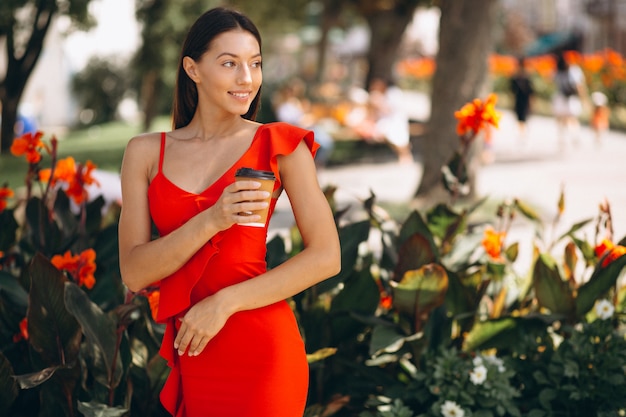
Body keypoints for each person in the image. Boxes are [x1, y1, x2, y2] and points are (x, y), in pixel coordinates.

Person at [117, 7, 341, 417]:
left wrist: (223, 304)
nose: (247, 79)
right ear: (193, 69)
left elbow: (326, 256)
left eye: (255, 64)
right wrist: (212, 220)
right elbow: (134, 272)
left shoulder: (279, 145)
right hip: (197, 353)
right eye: (229, 64)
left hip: (263, 353)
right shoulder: (145, 153)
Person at [272, 78, 335, 168]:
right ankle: (314, 165)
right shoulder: (283, 107)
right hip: (299, 131)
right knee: (324, 144)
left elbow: (302, 116)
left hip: (308, 127)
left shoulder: (295, 103)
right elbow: (288, 123)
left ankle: (317, 164)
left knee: (327, 141)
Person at [552, 52, 587, 145]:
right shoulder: (574, 70)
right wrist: (584, 99)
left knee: (560, 119)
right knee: (572, 118)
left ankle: (562, 138)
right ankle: (574, 135)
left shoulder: (557, 70)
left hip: (560, 98)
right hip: (571, 98)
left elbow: (552, 81)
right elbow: (579, 86)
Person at [509, 56, 534, 139]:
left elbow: (531, 92)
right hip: (519, 100)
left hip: (523, 100)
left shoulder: (525, 78)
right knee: (520, 118)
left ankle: (522, 134)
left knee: (522, 118)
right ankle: (522, 134)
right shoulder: (516, 78)